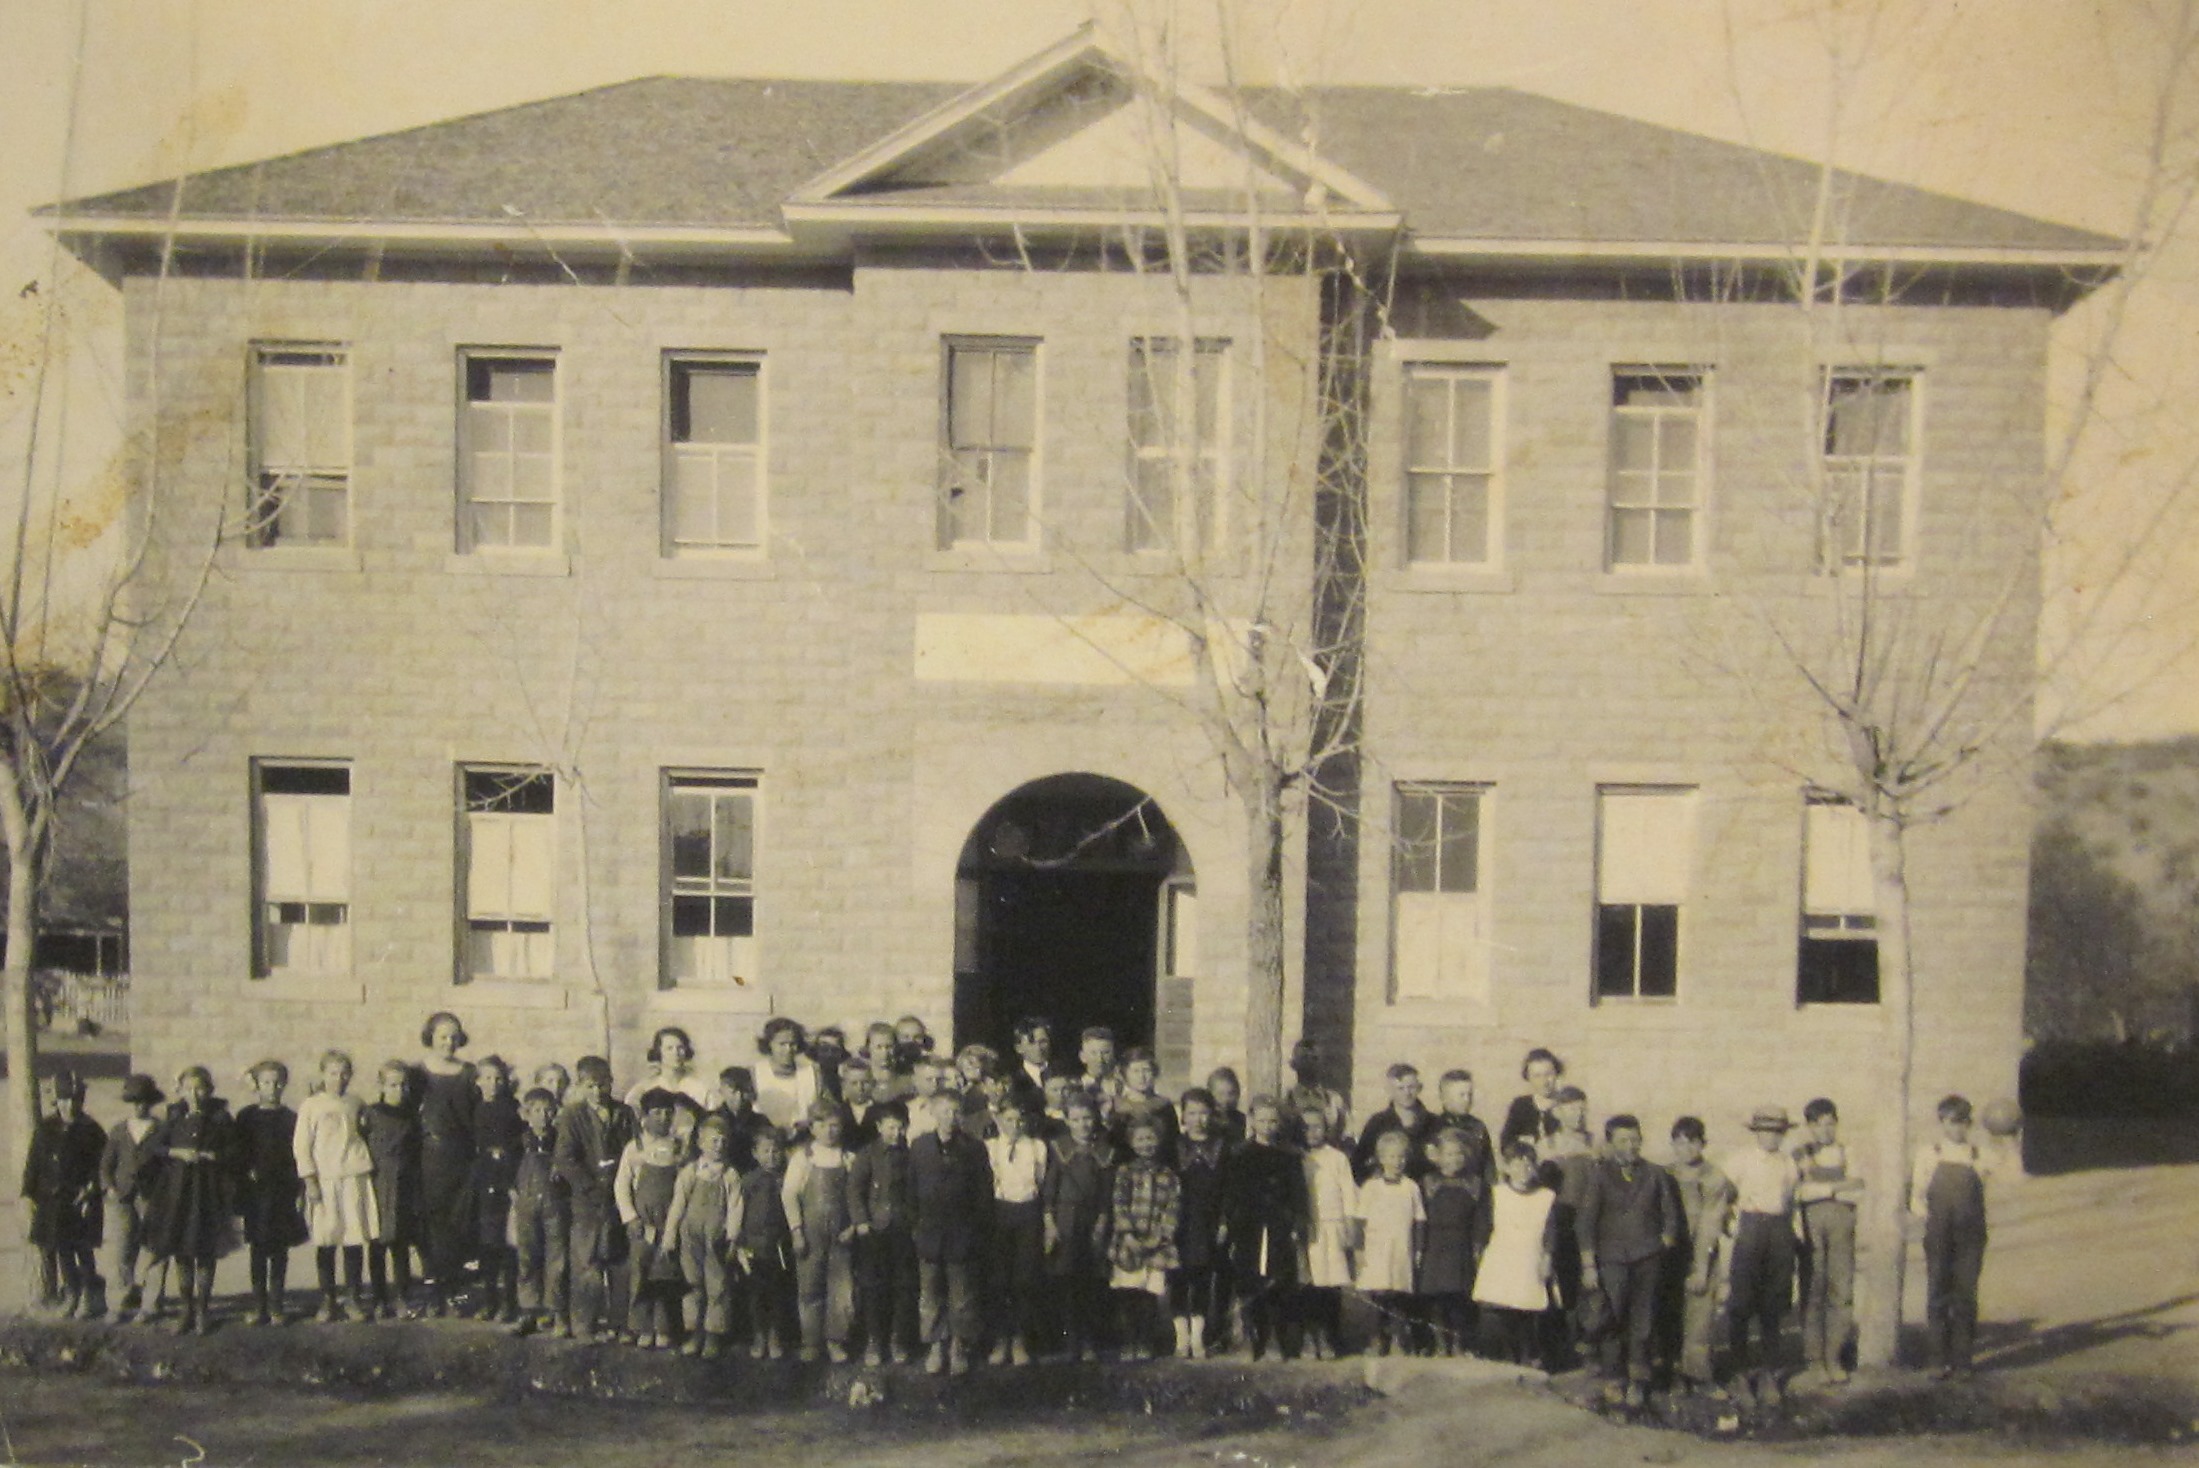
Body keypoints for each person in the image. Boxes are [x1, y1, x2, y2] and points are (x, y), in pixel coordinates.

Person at [1575, 1114, 1677, 1408]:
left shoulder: (1655, 1174)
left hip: (1647, 1258)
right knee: (1612, 1318)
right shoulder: (1599, 1175)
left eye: (1635, 1140)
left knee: (1643, 1320)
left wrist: (1665, 1240)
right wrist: (1588, 1264)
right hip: (1612, 1260)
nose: (1630, 1146)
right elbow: (1585, 1223)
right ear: (1610, 1143)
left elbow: (1669, 1213)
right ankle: (1613, 1378)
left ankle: (1638, 1379)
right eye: (1623, 1141)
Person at [1910, 1094, 2001, 1378]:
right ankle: (1937, 1360)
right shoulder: (1930, 1153)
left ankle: (1963, 1361)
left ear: (1969, 1124)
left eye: (1962, 1122)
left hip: (1970, 1233)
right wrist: (1929, 1218)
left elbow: (2010, 1172)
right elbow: (1916, 1196)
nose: (1957, 1129)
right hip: (1939, 1232)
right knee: (1938, 1292)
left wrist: (2008, 1138)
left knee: (1966, 1294)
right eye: (1951, 1122)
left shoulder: (1980, 1154)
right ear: (1942, 1123)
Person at [148, 1065, 238, 1336]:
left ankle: (203, 1310)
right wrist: (177, 1152)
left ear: (209, 1090)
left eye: (200, 1088)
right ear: (181, 1091)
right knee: (182, 1250)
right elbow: (155, 1146)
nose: (195, 1095)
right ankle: (186, 1308)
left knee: (205, 1250)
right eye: (189, 1089)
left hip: (208, 1191)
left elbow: (235, 1150)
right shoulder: (174, 1116)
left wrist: (213, 1156)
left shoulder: (220, 1118)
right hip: (179, 1192)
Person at [910, 1090, 993, 1375]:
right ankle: (936, 1345)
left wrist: (975, 1230)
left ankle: (959, 1346)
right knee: (930, 1293)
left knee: (962, 1295)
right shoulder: (919, 1147)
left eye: (955, 1111)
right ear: (932, 1113)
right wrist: (916, 1226)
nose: (950, 1117)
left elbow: (984, 1194)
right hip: (929, 1232)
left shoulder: (974, 1148)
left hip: (962, 1232)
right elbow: (910, 1190)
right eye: (944, 1111)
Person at [293, 1050, 379, 1323]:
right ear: (322, 1074)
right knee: (327, 1239)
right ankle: (327, 1300)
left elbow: (363, 1134)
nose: (338, 1078)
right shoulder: (311, 1105)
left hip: (353, 1177)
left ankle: (353, 1298)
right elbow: (301, 1146)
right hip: (326, 1180)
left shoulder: (356, 1103)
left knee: (354, 1239)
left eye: (344, 1073)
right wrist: (310, 1181)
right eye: (332, 1073)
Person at [1724, 1105, 1802, 1405]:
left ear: (1783, 1134)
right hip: (1751, 1227)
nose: (1771, 1137)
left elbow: (1791, 1199)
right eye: (1766, 1131)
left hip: (1779, 1230)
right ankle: (1740, 1374)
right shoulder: (1740, 1160)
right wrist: (1733, 1225)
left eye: (1777, 1131)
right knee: (1741, 1303)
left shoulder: (1788, 1163)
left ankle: (1770, 1374)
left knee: (1774, 1304)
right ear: (1756, 1132)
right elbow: (1724, 1193)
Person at [557, 1056, 636, 1344]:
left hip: (619, 1199)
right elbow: (565, 1159)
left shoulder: (625, 1113)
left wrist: (623, 1185)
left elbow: (634, 1150)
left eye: (602, 1084)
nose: (597, 1092)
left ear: (610, 1082)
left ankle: (621, 1323)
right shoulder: (572, 1115)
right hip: (587, 1201)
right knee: (586, 1263)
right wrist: (589, 1185)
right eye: (590, 1085)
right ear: (580, 1085)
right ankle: (584, 1324)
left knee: (620, 1262)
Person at [1223, 1096, 1305, 1359]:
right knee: (1250, 1282)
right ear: (1252, 1122)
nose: (1268, 1126)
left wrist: (1296, 1223)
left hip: (1279, 1225)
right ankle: (1253, 1340)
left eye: (1273, 1121)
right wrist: (1232, 1223)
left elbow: (1298, 1193)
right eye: (1262, 1121)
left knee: (1280, 1282)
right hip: (1250, 1225)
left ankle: (1277, 1342)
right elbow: (1233, 1193)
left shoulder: (1290, 1156)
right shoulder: (1240, 1154)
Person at [23, 1068, 104, 1318]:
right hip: (52, 1201)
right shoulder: (46, 1129)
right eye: (64, 1099)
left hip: (81, 1200)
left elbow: (101, 1166)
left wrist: (91, 1190)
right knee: (62, 1249)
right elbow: (34, 1163)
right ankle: (72, 1293)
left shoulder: (92, 1131)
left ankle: (92, 1297)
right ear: (56, 1101)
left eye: (75, 1099)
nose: (70, 1105)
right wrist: (30, 1194)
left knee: (83, 1248)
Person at [1794, 1097, 1864, 1383]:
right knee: (1813, 1290)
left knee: (1842, 1291)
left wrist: (1820, 1188)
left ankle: (1834, 1357)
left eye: (1830, 1124)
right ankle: (1814, 1360)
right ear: (1810, 1127)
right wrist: (1838, 1187)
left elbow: (1858, 1189)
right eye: (1818, 1125)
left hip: (1842, 1226)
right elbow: (1800, 1193)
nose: (1825, 1130)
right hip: (1811, 1228)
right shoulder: (1801, 1153)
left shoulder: (1848, 1152)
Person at [1663, 1116, 1734, 1395]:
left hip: (1700, 1254)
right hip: (1670, 1255)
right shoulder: (1665, 1174)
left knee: (1699, 1317)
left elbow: (1710, 1224)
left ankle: (1700, 1376)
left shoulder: (1713, 1177)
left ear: (1703, 1144)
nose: (1687, 1149)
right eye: (1680, 1143)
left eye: (1693, 1142)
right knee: (1669, 1314)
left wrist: (1701, 1267)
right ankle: (1672, 1374)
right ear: (1672, 1145)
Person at [665, 1112, 745, 1360]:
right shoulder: (690, 1171)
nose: (718, 1147)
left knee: (717, 1285)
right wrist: (670, 1235)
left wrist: (732, 1237)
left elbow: (735, 1206)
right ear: (700, 1143)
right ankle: (694, 1333)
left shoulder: (730, 1175)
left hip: (716, 1239)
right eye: (713, 1141)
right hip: (691, 1237)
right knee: (692, 1283)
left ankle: (713, 1336)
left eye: (723, 1142)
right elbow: (678, 1204)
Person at [236, 1058, 309, 1326]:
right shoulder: (246, 1117)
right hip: (256, 1193)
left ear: (285, 1084)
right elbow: (238, 1153)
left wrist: (300, 1189)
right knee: (257, 1248)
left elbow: (299, 1156)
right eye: (266, 1082)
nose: (272, 1087)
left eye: (277, 1082)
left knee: (279, 1249)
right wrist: (246, 1173)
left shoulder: (291, 1118)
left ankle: (277, 1305)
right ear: (256, 1085)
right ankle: (259, 1305)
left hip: (282, 1191)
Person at [786, 1098, 859, 1362]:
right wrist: (796, 1231)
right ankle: (811, 1342)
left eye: (835, 1126)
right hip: (810, 1233)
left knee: (841, 1290)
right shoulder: (802, 1158)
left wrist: (852, 1227)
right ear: (813, 1128)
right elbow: (790, 1195)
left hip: (841, 1234)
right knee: (809, 1288)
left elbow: (856, 1197)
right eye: (824, 1126)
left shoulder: (849, 1159)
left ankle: (836, 1341)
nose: (831, 1131)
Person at [416, 1012, 479, 1316]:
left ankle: (455, 1290)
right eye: (443, 1036)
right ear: (431, 1037)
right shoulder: (419, 1073)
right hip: (429, 1156)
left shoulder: (469, 1072)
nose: (449, 1042)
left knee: (459, 1224)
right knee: (431, 1224)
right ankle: (432, 1291)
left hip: (461, 1157)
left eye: (454, 1036)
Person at [1042, 1093, 1114, 1362]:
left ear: (1095, 1119)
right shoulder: (1059, 1148)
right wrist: (1049, 1222)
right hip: (1065, 1219)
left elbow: (1108, 1192)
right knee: (1067, 1280)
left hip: (1093, 1219)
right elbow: (1049, 1188)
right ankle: (1071, 1342)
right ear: (1067, 1121)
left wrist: (1103, 1220)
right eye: (1076, 1119)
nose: (1082, 1125)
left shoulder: (1105, 1151)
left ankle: (1090, 1342)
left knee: (1093, 1281)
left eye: (1087, 1118)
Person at [1473, 1140, 1558, 1368]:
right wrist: (1479, 1255)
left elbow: (1550, 1232)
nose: (1523, 1171)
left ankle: (1528, 1357)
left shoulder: (1546, 1197)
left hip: (1530, 1257)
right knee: (1498, 1307)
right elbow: (1482, 1229)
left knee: (1527, 1308)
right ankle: (1498, 1358)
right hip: (1501, 1257)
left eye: (1529, 1166)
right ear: (1507, 1168)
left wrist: (1548, 1257)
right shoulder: (1496, 1194)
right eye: (1517, 1166)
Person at [618, 1087, 690, 1349]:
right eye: (656, 1113)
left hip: (670, 1224)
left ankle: (665, 1328)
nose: (662, 1118)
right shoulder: (634, 1148)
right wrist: (630, 1218)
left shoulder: (678, 1148)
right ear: (644, 1117)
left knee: (667, 1276)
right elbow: (621, 1186)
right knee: (640, 1274)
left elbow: (684, 1186)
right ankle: (641, 1327)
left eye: (667, 1113)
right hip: (643, 1225)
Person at [848, 1098, 919, 1365]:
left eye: (901, 1128)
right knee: (874, 1286)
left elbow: (916, 1192)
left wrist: (915, 1222)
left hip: (903, 1229)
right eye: (890, 1127)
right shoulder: (867, 1155)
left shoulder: (911, 1155)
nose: (896, 1133)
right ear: (879, 1127)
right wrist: (861, 1221)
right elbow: (855, 1190)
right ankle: (874, 1342)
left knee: (903, 1286)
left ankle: (897, 1340)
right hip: (874, 1230)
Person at [1107, 1115, 1179, 1361]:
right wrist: (1127, 1235)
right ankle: (1130, 1343)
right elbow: (1119, 1204)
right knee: (1129, 1294)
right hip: (1129, 1243)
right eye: (1140, 1139)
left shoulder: (1168, 1174)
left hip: (1155, 1244)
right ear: (1131, 1142)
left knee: (1149, 1295)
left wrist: (1159, 1238)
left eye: (1151, 1138)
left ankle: (1147, 1343)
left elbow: (1172, 1209)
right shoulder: (1125, 1172)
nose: (1146, 1144)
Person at [985, 1096, 1048, 1365]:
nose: (1014, 1125)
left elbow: (1041, 1181)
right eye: (1009, 1119)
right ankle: (1001, 1340)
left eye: (1019, 1120)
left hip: (1028, 1213)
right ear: (999, 1120)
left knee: (1025, 1279)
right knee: (999, 1279)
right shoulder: (990, 1147)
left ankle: (1020, 1340)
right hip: (1000, 1213)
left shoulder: (1036, 1147)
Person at [101, 1073, 169, 1323]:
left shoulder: (161, 1129)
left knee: (154, 1249)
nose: (140, 1106)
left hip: (152, 1197)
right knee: (120, 1250)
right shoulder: (119, 1131)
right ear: (128, 1103)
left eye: (145, 1101)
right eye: (134, 1101)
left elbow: (168, 1164)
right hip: (122, 1197)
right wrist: (109, 1188)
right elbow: (106, 1165)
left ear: (152, 1103)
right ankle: (118, 1303)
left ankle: (151, 1304)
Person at [1418, 1126, 1490, 1357]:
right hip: (1434, 1245)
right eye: (1449, 1154)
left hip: (1462, 1244)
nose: (1454, 1159)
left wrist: (1478, 1245)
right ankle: (1440, 1342)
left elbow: (1482, 1218)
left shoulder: (1475, 1185)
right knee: (1436, 1297)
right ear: (1437, 1157)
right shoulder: (1428, 1183)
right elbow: (1419, 1216)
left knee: (1461, 1296)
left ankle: (1461, 1342)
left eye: (1459, 1153)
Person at [1354, 1128, 1424, 1356]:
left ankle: (1398, 1339)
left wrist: (1419, 1250)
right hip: (1377, 1250)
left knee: (1398, 1296)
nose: (1397, 1162)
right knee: (1378, 1294)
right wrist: (1359, 1249)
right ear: (1381, 1158)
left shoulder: (1411, 1187)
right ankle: (1376, 1339)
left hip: (1402, 1249)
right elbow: (1360, 1221)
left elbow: (1419, 1220)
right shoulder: (1371, 1187)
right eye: (1392, 1157)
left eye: (1401, 1157)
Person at [1171, 1087, 1229, 1358]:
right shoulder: (1174, 1146)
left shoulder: (1221, 1146)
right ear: (1183, 1116)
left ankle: (1198, 1339)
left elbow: (1230, 1189)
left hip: (1207, 1220)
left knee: (1203, 1278)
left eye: (1204, 1113)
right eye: (1192, 1113)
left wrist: (1224, 1221)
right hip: (1178, 1220)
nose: (1198, 1119)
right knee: (1178, 1277)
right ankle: (1181, 1339)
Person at [361, 1060, 422, 1320]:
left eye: (403, 1085)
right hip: (378, 1181)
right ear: (382, 1086)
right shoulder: (371, 1114)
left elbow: (417, 1149)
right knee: (377, 1243)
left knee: (400, 1244)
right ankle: (378, 1299)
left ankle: (402, 1298)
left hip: (405, 1182)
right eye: (393, 1085)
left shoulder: (412, 1115)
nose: (399, 1090)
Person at [506, 1086, 568, 1338]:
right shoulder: (518, 1141)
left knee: (557, 1259)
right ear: (526, 1114)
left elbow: (569, 1168)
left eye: (548, 1110)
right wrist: (514, 1193)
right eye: (537, 1111)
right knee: (527, 1258)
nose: (542, 1116)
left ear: (555, 1113)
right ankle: (528, 1312)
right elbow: (507, 1171)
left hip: (554, 1206)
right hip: (527, 1206)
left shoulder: (562, 1140)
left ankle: (558, 1314)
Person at [467, 1056, 524, 1323]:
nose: (492, 1084)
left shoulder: (512, 1110)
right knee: (487, 1245)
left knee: (508, 1245)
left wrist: (511, 1183)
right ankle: (490, 1301)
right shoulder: (476, 1109)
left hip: (506, 1182)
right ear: (478, 1081)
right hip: (483, 1181)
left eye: (498, 1079)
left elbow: (515, 1148)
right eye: (487, 1078)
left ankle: (509, 1303)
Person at [1298, 1104, 1356, 1359]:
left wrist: (1349, 1225)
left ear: (1327, 1128)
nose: (1311, 1132)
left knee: (1331, 1286)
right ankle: (1312, 1339)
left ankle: (1332, 1337)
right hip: (1307, 1228)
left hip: (1331, 1227)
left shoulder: (1337, 1158)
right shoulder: (1295, 1156)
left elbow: (1348, 1194)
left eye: (1317, 1126)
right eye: (1305, 1127)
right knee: (1308, 1286)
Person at [735, 1127, 797, 1359]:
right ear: (755, 1153)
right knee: (756, 1294)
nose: (771, 1156)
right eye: (765, 1151)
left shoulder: (787, 1179)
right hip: (754, 1246)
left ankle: (775, 1335)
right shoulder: (749, 1181)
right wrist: (740, 1241)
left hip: (779, 1246)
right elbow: (738, 1212)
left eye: (776, 1151)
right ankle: (759, 1335)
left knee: (778, 1293)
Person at [1354, 1063, 1440, 1181]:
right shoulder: (1377, 1123)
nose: (1407, 1093)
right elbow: (1358, 1163)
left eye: (1411, 1087)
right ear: (1390, 1090)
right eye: (1400, 1088)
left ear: (1420, 1088)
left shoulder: (1434, 1123)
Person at [1433, 1069, 1498, 1195]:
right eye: (1461, 1095)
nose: (1467, 1099)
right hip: (1444, 1194)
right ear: (1445, 1098)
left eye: (1470, 1094)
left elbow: (1488, 1166)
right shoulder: (1434, 1126)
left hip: (1473, 1193)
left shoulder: (1478, 1127)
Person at [753, 1018, 820, 1134]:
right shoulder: (756, 1073)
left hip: (804, 1139)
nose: (788, 1049)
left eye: (792, 1044)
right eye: (782, 1044)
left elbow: (824, 1112)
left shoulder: (811, 1073)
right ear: (770, 1044)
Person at [624, 1026, 714, 1113]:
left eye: (680, 1048)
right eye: (669, 1048)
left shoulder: (700, 1089)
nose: (676, 1053)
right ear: (659, 1052)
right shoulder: (642, 1090)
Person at [1110, 1048, 1178, 1158]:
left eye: (1146, 1070)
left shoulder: (1164, 1106)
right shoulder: (1117, 1107)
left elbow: (1172, 1144)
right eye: (1135, 1071)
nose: (1142, 1077)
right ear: (1125, 1074)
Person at [1282, 1039, 1348, 1151]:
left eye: (1314, 1059)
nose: (1309, 1065)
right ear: (1295, 1065)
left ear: (1321, 1065)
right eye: (1304, 1059)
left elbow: (1346, 1137)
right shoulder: (1286, 1099)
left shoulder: (1333, 1100)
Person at [1500, 1048, 1566, 1151]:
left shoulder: (1566, 1105)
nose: (1544, 1081)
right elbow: (1506, 1144)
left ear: (1557, 1074)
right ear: (1528, 1077)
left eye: (1548, 1074)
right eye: (1537, 1076)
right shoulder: (1520, 1107)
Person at [1009, 1016, 1057, 1111]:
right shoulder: (1013, 1082)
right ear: (1019, 1048)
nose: (1038, 1048)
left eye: (1043, 1042)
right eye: (1031, 1043)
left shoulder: (1061, 1073)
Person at [1206, 1068, 1247, 1147]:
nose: (1226, 1099)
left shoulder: (1242, 1120)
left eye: (1231, 1094)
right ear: (1209, 1094)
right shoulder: (1207, 1121)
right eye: (1220, 1094)